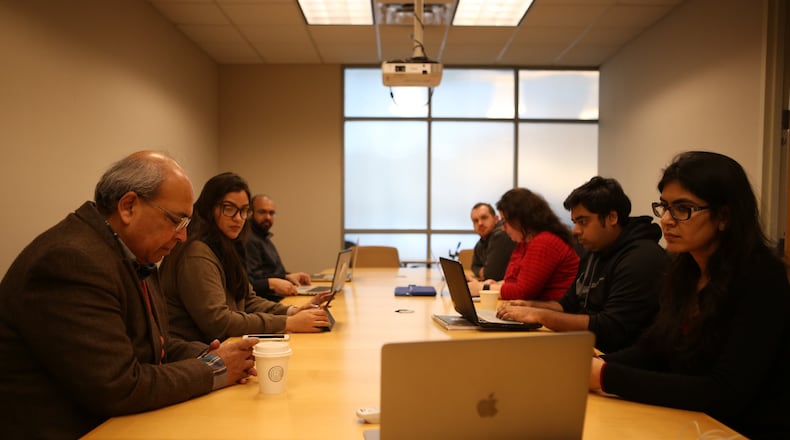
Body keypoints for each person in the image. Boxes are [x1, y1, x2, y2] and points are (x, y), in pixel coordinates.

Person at [0, 151, 258, 439]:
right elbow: (118, 386)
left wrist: (205, 353)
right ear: (129, 206)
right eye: (177, 221)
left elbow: (150, 343)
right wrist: (215, 368)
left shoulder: (125, 252)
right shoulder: (72, 260)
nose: (182, 236)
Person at [589, 151, 790, 439]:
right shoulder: (685, 270)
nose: (668, 220)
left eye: (683, 209)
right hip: (689, 421)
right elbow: (653, 349)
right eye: (665, 207)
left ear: (724, 216)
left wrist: (605, 376)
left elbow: (725, 392)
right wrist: (592, 364)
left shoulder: (761, 279)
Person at [496, 177, 666, 353]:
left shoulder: (641, 258)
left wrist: (540, 315)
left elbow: (610, 328)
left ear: (612, 217)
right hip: (584, 345)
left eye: (583, 221)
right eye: (575, 222)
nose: (575, 230)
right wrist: (530, 306)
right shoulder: (595, 251)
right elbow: (567, 305)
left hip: (611, 357)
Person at [160, 173, 332, 343]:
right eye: (229, 208)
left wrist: (292, 311)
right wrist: (288, 323)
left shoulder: (227, 245)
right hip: (198, 354)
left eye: (243, 211)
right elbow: (218, 322)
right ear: (209, 208)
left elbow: (247, 300)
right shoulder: (196, 252)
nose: (238, 218)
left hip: (222, 345)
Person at [469, 188, 579, 300]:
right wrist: (496, 285)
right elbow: (515, 281)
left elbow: (522, 292)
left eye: (505, 221)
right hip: (537, 310)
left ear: (520, 219)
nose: (503, 228)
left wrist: (483, 288)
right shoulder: (524, 243)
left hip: (551, 313)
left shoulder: (545, 242)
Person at [245, 194, 312, 301]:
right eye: (262, 212)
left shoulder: (263, 237)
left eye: (271, 213)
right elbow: (251, 282)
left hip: (279, 296)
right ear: (250, 213)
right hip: (266, 301)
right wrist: (274, 283)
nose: (268, 217)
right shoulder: (248, 240)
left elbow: (269, 272)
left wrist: (288, 276)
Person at [468, 202, 516, 281]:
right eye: (475, 221)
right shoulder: (481, 242)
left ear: (496, 219)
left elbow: (491, 275)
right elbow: (474, 266)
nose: (480, 223)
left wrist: (486, 272)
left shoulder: (501, 234)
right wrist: (483, 271)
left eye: (484, 218)